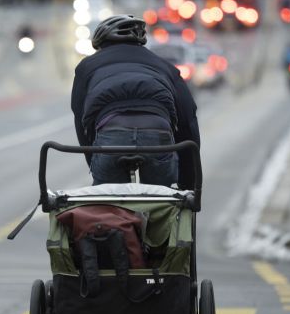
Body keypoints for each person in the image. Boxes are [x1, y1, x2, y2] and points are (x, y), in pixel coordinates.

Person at [70, 14, 200, 188]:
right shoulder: (165, 67)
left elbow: (82, 122)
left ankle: (112, 211)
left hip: (111, 136)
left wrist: (96, 160)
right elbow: (188, 122)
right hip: (157, 134)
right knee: (162, 202)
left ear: (100, 44)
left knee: (110, 205)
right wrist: (189, 186)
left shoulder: (87, 67)